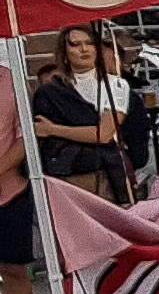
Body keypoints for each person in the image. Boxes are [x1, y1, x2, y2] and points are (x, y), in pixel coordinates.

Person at [33, 22, 141, 198]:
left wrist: (53, 129)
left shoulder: (116, 85)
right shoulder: (49, 91)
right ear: (65, 54)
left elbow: (105, 135)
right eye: (75, 44)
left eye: (89, 43)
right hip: (64, 174)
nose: (84, 49)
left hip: (103, 172)